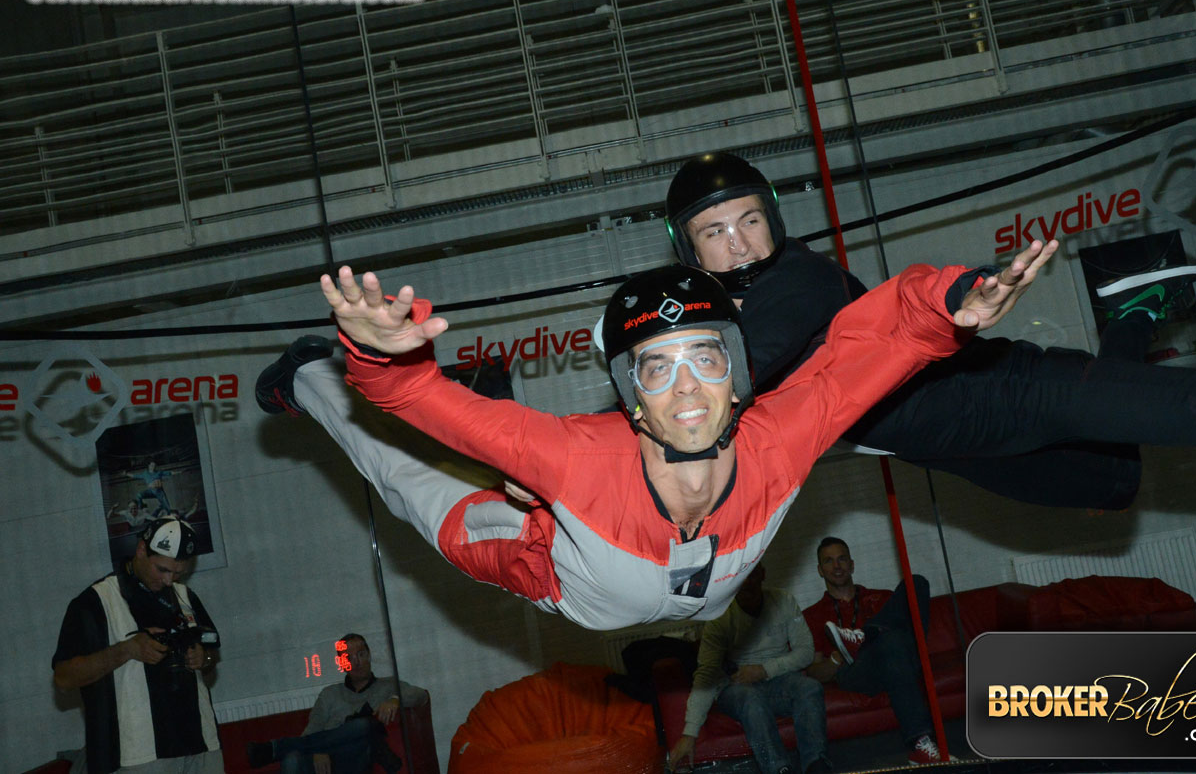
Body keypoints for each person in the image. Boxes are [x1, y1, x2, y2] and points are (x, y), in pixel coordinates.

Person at [256, 242, 1052, 631]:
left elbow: (873, 347)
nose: (687, 388)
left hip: (714, 585)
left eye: (705, 359)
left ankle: (507, 446)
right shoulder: (577, 453)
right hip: (578, 582)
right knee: (410, 486)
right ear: (630, 400)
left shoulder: (779, 435)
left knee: (517, 467)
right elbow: (408, 397)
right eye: (656, 369)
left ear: (737, 375)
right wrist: (375, 354)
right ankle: (307, 377)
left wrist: (956, 300)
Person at [664, 151, 1196, 509]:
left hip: (1006, 393)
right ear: (690, 251)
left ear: (774, 220)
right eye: (715, 232)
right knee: (1115, 482)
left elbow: (744, 369)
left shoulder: (801, 278)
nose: (739, 240)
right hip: (946, 446)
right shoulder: (722, 323)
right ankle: (1135, 310)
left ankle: (1137, 310)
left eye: (749, 219)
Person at [52, 517, 222, 774]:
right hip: (135, 756)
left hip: (201, 745)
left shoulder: (185, 597)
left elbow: (211, 657)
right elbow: (63, 678)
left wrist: (204, 658)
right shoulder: (96, 602)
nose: (169, 581)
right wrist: (126, 650)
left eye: (178, 573)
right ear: (141, 550)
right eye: (162, 569)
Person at [670, 565, 833, 774]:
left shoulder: (783, 601)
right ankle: (778, 769)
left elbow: (805, 652)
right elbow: (706, 674)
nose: (747, 583)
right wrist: (689, 733)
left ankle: (816, 765)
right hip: (735, 687)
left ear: (762, 575)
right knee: (751, 699)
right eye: (741, 580)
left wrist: (763, 670)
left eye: (752, 576)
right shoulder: (719, 618)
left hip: (777, 680)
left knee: (809, 687)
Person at [802, 537, 939, 766]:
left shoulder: (883, 598)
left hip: (901, 660)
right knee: (890, 640)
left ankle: (864, 636)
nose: (837, 566)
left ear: (852, 564)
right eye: (829, 561)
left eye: (842, 559)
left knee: (917, 583)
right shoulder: (813, 615)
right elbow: (815, 672)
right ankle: (919, 742)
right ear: (820, 570)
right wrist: (837, 657)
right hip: (857, 672)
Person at [245, 633, 428, 773]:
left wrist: (395, 699)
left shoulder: (388, 685)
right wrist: (318, 750)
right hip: (328, 760)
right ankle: (280, 749)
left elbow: (421, 695)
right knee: (291, 760)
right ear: (342, 664)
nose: (357, 662)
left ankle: (274, 748)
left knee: (363, 726)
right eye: (349, 658)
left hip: (358, 756)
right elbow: (312, 729)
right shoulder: (329, 694)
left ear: (369, 656)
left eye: (361, 654)